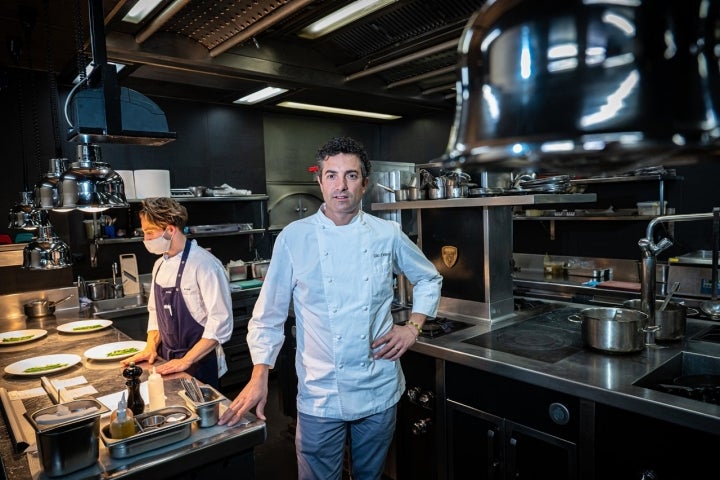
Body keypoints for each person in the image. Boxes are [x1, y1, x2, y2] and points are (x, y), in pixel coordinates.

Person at [218, 136, 442, 479]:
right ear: (320, 181)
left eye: (351, 176)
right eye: (332, 176)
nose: (342, 186)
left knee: (370, 475)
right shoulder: (294, 238)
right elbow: (269, 315)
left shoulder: (387, 234)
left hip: (377, 388)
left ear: (364, 184)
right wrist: (260, 374)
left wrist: (412, 328)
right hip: (320, 393)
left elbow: (429, 278)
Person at [122, 197, 233, 389]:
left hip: (200, 361)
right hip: (167, 359)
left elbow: (220, 323)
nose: (145, 239)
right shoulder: (159, 265)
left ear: (170, 230)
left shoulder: (206, 265)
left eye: (149, 232)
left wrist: (186, 360)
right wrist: (150, 346)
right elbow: (156, 313)